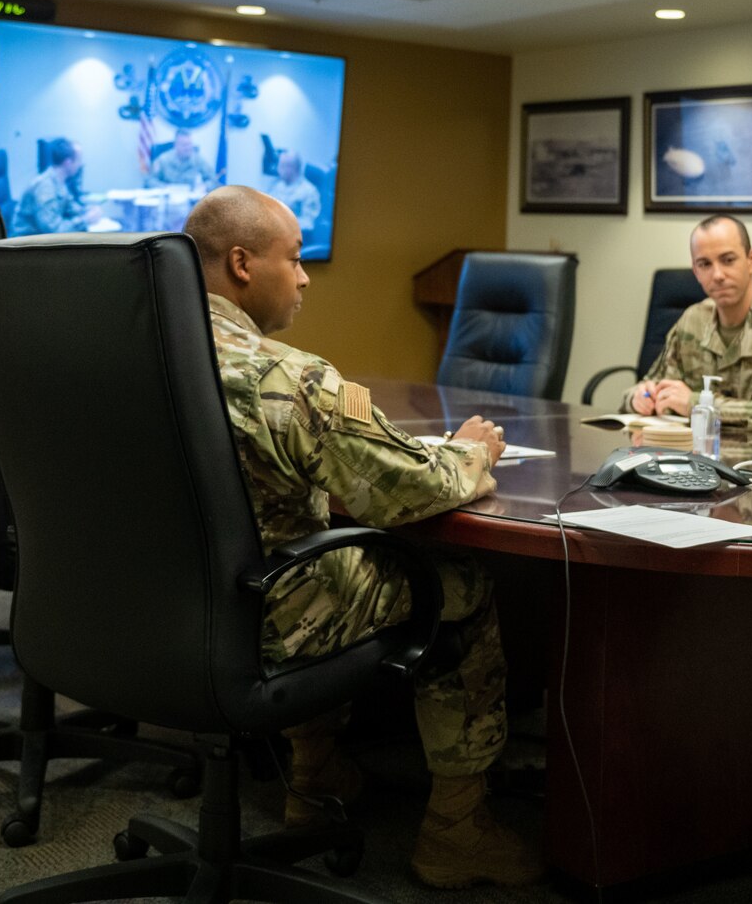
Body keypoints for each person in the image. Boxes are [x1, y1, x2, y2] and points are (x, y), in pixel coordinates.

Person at [186, 186, 541, 890]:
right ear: (240, 263)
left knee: (329, 549)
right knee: (457, 582)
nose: (307, 274)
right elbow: (410, 489)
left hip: (140, 602)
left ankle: (317, 778)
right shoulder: (281, 377)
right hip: (259, 618)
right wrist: (473, 451)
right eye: (294, 258)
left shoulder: (130, 343)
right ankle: (456, 828)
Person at [626, 213, 752, 423]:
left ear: (751, 261)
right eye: (705, 264)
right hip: (696, 450)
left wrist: (699, 405)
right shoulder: (692, 321)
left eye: (728, 260)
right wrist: (639, 398)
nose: (717, 274)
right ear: (696, 272)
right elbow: (654, 385)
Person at [11, 137, 102, 236]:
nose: (80, 165)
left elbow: (71, 208)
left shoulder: (58, 180)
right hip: (27, 246)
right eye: (79, 160)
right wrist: (85, 220)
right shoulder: (46, 188)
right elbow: (53, 231)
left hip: (40, 240)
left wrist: (87, 211)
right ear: (68, 162)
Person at [265, 147, 322, 232]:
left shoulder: (309, 191)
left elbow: (308, 223)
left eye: (281, 166)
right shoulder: (277, 186)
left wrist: (284, 224)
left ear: (292, 168)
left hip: (295, 238)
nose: (278, 169)